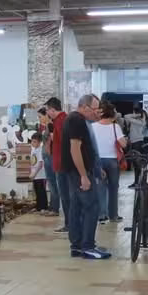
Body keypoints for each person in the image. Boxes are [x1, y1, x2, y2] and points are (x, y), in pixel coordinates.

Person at [62, 94, 110, 260]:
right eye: (95, 109)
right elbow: (74, 149)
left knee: (76, 207)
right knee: (92, 206)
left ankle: (77, 246)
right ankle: (88, 246)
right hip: (78, 172)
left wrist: (95, 168)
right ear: (84, 107)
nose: (97, 113)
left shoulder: (76, 120)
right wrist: (83, 175)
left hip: (77, 171)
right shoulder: (77, 120)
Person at [92, 102, 127, 223]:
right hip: (112, 160)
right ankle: (113, 215)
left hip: (98, 161)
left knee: (100, 188)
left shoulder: (93, 126)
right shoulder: (115, 127)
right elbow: (123, 144)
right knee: (113, 188)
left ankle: (101, 214)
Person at [45, 97, 69, 234]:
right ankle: (70, 223)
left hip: (62, 164)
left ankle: (69, 224)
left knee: (65, 196)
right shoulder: (63, 119)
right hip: (62, 162)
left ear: (52, 109)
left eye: (48, 110)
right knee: (66, 195)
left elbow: (65, 141)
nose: (47, 113)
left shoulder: (60, 121)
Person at [38, 107, 58, 217]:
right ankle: (52, 206)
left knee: (52, 183)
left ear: (46, 115)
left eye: (40, 116)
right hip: (47, 156)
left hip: (50, 156)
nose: (39, 119)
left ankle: (55, 208)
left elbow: (54, 140)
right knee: (50, 183)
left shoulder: (50, 125)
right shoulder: (47, 126)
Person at [124, 106, 147, 185]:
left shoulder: (138, 121)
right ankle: (138, 182)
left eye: (133, 112)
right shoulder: (139, 121)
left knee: (137, 164)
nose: (132, 114)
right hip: (137, 142)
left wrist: (137, 115)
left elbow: (126, 116)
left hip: (137, 143)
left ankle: (138, 182)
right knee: (137, 164)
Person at [29, 132, 48, 213]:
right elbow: (33, 163)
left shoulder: (40, 150)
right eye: (32, 141)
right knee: (37, 191)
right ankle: (38, 207)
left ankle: (44, 207)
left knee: (41, 191)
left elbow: (40, 163)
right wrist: (31, 173)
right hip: (35, 175)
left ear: (40, 142)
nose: (32, 143)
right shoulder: (33, 150)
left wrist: (34, 173)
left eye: (34, 141)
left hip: (40, 175)